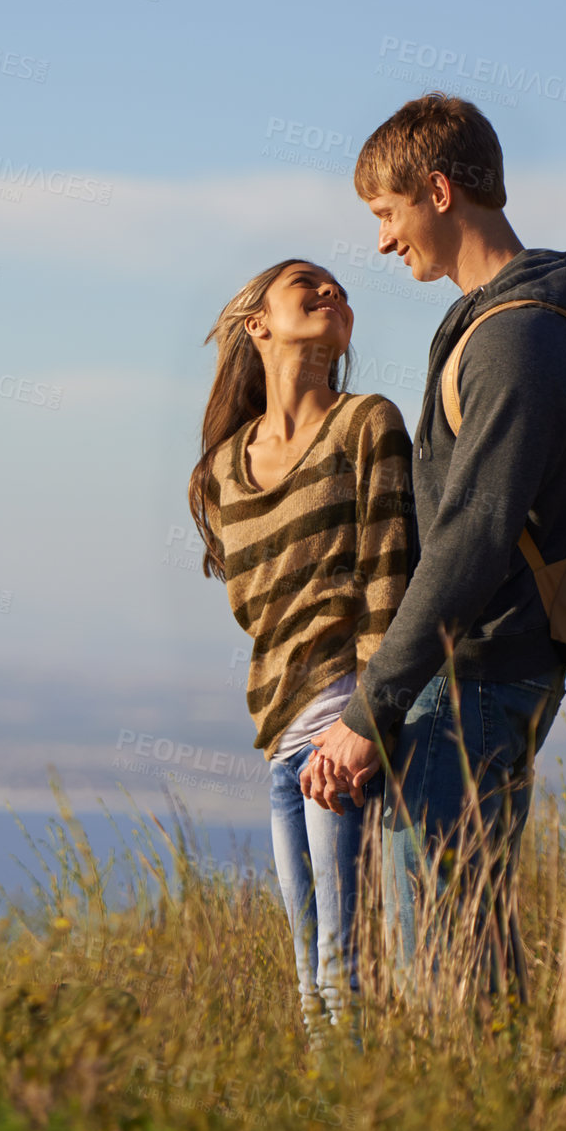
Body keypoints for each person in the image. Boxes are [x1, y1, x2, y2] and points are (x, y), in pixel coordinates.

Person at [302, 92, 566, 997]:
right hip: (481, 676)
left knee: (449, 965)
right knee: (467, 942)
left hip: (474, 681)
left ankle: (481, 1130)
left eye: (387, 213)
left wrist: (372, 709)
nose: (380, 242)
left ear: (439, 191)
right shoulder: (530, 323)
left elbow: (475, 536)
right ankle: (496, 1127)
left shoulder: (518, 339)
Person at [188, 257, 413, 1042]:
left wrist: (368, 723)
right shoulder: (223, 468)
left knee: (345, 966)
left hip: (346, 730)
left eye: (340, 293)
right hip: (279, 736)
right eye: (308, 286)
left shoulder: (367, 423)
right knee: (305, 968)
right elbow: (256, 605)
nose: (332, 294)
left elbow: (391, 579)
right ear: (258, 325)